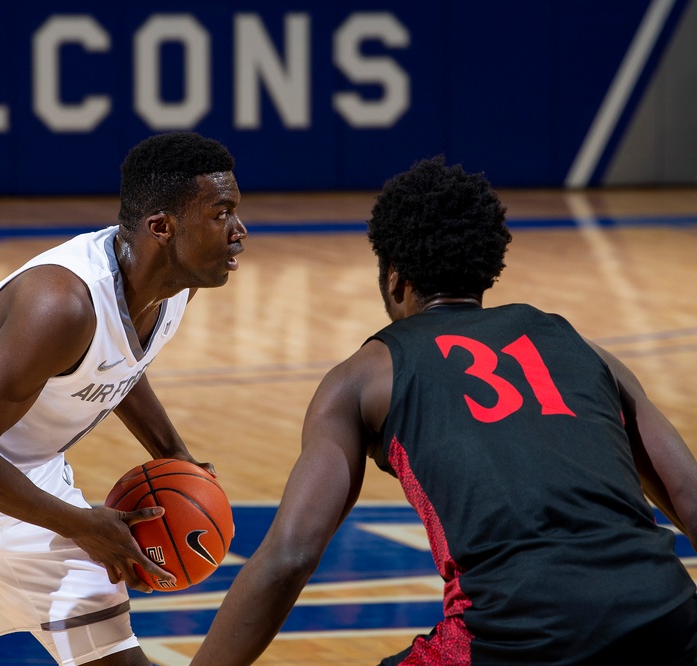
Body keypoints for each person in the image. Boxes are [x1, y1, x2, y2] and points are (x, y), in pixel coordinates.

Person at [191, 157, 697, 665]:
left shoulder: (362, 377)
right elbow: (689, 494)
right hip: (668, 619)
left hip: (515, 639)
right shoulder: (583, 348)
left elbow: (290, 557)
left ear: (394, 280)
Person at [0, 131, 247, 666]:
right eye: (222, 214)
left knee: (114, 658)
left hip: (27, 476)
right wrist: (82, 526)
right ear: (162, 228)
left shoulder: (172, 285)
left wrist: (175, 456)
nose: (239, 232)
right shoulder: (60, 305)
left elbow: (118, 360)